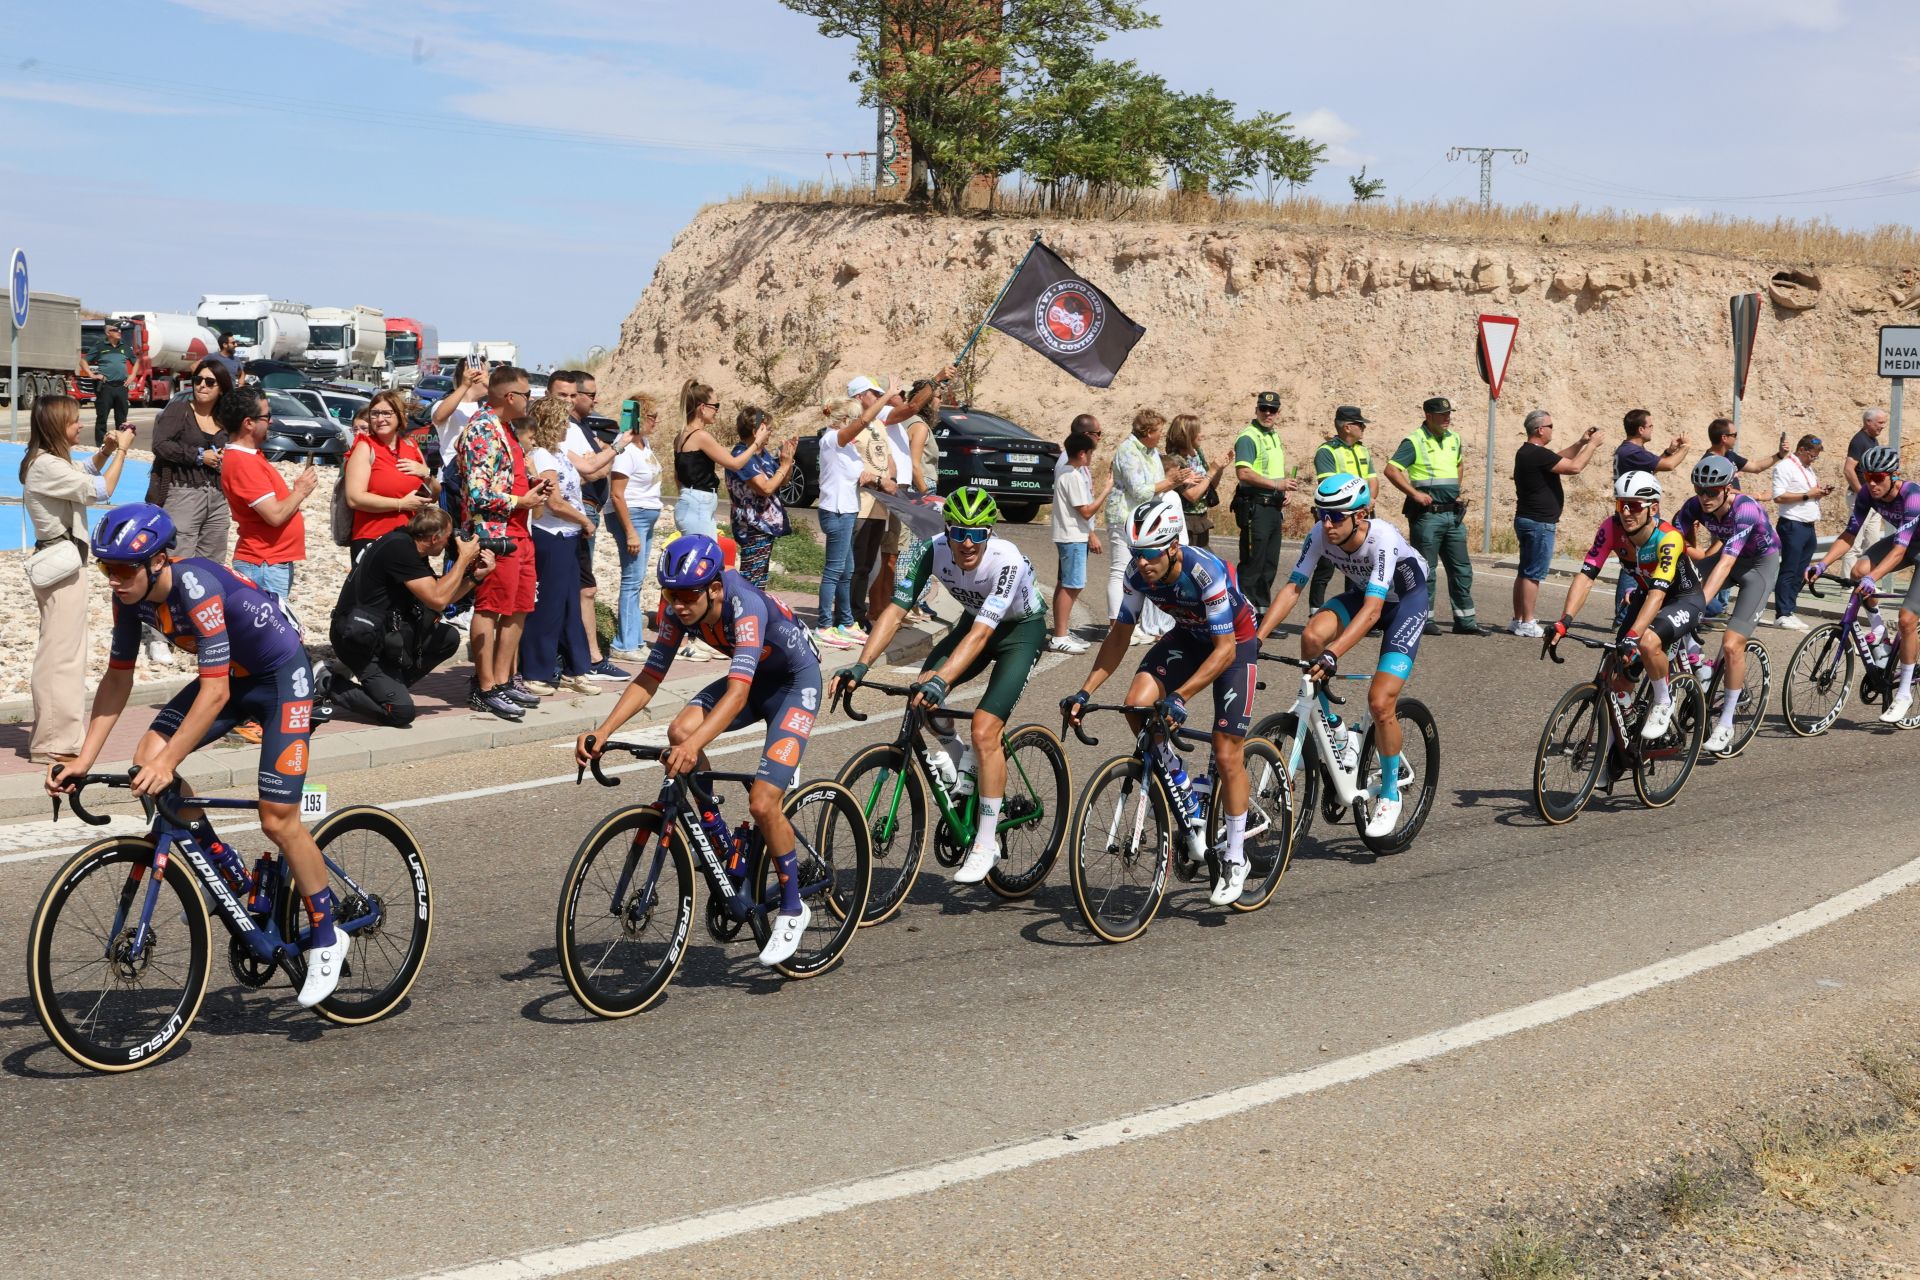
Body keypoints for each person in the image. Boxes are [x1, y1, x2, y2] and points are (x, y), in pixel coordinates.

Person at [48, 503, 348, 1008]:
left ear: (158, 562)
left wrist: (169, 764)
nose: (114, 580)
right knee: (147, 757)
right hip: (234, 679)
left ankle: (326, 932)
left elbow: (212, 696)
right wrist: (82, 757)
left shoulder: (196, 587)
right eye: (106, 568)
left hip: (281, 682)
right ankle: (222, 869)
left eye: (122, 569)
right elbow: (118, 679)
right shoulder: (131, 599)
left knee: (277, 819)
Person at [577, 536, 823, 967]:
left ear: (714, 587)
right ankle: (719, 834)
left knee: (764, 801)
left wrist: (695, 746)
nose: (679, 604)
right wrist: (604, 730)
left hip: (793, 682)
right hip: (752, 683)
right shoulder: (677, 610)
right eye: (670, 594)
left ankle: (791, 907)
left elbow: (736, 691)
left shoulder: (743, 604)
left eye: (688, 594)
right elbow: (650, 676)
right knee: (679, 729)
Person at [830, 487, 1049, 885]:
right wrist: (862, 665)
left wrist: (943, 680)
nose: (968, 542)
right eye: (959, 532)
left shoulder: (1007, 559)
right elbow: (895, 611)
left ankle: (986, 842)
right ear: (946, 529)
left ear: (990, 532)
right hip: (974, 622)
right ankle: (958, 756)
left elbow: (983, 635)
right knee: (921, 696)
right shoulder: (927, 550)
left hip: (1019, 632)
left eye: (978, 533)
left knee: (985, 729)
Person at [1062, 499, 1258, 902]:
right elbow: (1118, 636)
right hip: (1189, 636)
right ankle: (1182, 783)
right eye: (1136, 554)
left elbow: (1222, 651)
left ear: (1171, 547)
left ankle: (1237, 857)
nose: (1142, 563)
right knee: (1137, 705)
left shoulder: (1204, 572)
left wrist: (1182, 696)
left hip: (1233, 643)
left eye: (1149, 554)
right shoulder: (1138, 575)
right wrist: (1086, 691)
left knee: (1226, 752)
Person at [1256, 475, 1433, 839]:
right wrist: (1255, 640)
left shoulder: (1380, 537)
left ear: (1360, 514)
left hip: (1404, 603)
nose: (1327, 523)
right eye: (1321, 513)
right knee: (1311, 636)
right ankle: (1336, 729)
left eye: (1336, 516)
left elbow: (1372, 612)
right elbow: (1293, 588)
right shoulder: (1320, 535)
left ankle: (1388, 794)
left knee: (1381, 701)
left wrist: (1335, 654)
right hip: (1366, 596)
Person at [1547, 472, 1706, 745]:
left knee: (1645, 642)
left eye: (1635, 506)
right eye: (1622, 505)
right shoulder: (1610, 528)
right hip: (1647, 595)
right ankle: (1618, 744)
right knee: (1616, 671)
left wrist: (1633, 636)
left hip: (1682, 599)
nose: (1627, 513)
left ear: (1653, 508)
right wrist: (1565, 621)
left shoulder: (1668, 538)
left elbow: (1659, 593)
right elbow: (1586, 576)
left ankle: (1663, 701)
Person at [22, 395, 134, 765]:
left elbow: (83, 473)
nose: (80, 425)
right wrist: (122, 454)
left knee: (65, 650)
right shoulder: (45, 466)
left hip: (65, 565)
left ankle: (59, 735)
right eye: (73, 421)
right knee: (61, 655)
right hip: (62, 569)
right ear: (57, 426)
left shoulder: (50, 462)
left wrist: (104, 452)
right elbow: (101, 490)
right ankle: (52, 741)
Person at [326, 507, 491, 727]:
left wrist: (474, 578)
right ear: (433, 538)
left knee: (447, 638)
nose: (449, 543)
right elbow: (438, 599)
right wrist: (463, 559)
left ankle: (388, 688)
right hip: (358, 640)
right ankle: (330, 684)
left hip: (381, 634)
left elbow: (440, 594)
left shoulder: (411, 546)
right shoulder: (399, 548)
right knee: (401, 714)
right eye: (447, 538)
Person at [459, 365, 550, 720]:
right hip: (494, 535)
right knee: (490, 607)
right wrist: (519, 501)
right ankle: (485, 687)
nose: (531, 399)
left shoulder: (507, 430)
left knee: (518, 607)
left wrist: (534, 487)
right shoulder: (482, 430)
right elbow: (479, 494)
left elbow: (507, 480)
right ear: (510, 397)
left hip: (518, 530)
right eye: (528, 393)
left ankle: (503, 679)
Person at [1804, 443, 1920, 722]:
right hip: (1903, 544)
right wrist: (1822, 563)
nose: (1872, 482)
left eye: (1878, 477)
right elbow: (1849, 534)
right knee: (1858, 570)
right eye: (1867, 476)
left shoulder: (1912, 496)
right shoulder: (1868, 493)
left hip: (1909, 547)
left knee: (1906, 620)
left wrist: (1874, 578)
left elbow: (1899, 552)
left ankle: (1903, 693)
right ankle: (1878, 631)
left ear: (1893, 475)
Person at [1673, 455, 1782, 752]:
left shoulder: (1744, 509)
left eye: (1712, 492)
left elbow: (1725, 564)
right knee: (1671, 602)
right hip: (1726, 559)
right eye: (1700, 490)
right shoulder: (1694, 505)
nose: (1705, 498)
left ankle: (1726, 723)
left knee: (1732, 644)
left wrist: (1698, 607)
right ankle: (1700, 663)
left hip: (1759, 565)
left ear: (1727, 488)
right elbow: (1671, 544)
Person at [1384, 396, 1487, 636]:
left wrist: (1455, 491)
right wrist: (1414, 494)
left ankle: (1466, 622)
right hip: (1428, 516)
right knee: (1425, 569)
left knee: (1462, 569)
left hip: (1452, 515)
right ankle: (1423, 619)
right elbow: (1391, 470)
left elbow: (1459, 465)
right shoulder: (1414, 441)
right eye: (1442, 414)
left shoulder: (1454, 438)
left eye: (1449, 413)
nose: (1447, 418)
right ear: (1428, 416)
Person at [518, 395, 597, 696]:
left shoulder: (560, 453)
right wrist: (585, 521)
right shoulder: (541, 456)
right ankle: (536, 670)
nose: (567, 426)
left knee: (569, 606)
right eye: (562, 421)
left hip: (567, 535)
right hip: (551, 535)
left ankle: (575, 667)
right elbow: (553, 502)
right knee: (548, 605)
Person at [217, 384, 316, 599]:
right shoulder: (243, 463)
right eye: (266, 416)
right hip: (263, 564)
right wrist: (300, 491)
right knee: (267, 630)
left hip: (268, 562)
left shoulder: (249, 456)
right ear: (249, 423)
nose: (270, 421)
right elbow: (275, 515)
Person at [1508, 409, 1602, 636]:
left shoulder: (1529, 452)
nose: (1552, 430)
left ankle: (1518, 619)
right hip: (1539, 523)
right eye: (1550, 426)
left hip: (1529, 520)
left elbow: (1560, 457)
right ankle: (1527, 621)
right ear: (1540, 430)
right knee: (1533, 574)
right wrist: (1593, 446)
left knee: (1524, 572)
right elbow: (1573, 467)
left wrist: (1581, 442)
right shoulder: (1536, 454)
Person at [1107, 409, 1196, 642]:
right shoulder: (1127, 451)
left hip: (1145, 519)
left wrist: (1176, 481)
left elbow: (1157, 486)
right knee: (1121, 569)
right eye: (1158, 431)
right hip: (1124, 516)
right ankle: (1115, 625)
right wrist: (1169, 481)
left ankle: (1134, 624)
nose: (1160, 436)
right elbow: (1139, 491)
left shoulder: (1152, 452)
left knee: (1140, 569)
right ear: (1147, 432)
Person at [814, 389, 891, 646]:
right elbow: (863, 422)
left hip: (848, 510)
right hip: (835, 511)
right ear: (843, 420)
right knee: (834, 570)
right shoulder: (833, 439)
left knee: (847, 570)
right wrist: (887, 395)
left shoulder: (848, 448)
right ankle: (824, 625)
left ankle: (846, 622)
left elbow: (859, 477)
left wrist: (877, 480)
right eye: (853, 420)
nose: (858, 427)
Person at [560, 369, 624, 679]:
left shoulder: (583, 427)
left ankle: (589, 656)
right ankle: (585, 657)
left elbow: (598, 465)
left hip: (587, 511)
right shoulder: (568, 429)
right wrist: (611, 451)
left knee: (585, 588)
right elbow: (593, 472)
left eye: (576, 395)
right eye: (588, 394)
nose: (594, 399)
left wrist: (603, 454)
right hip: (580, 512)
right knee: (581, 588)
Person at [148, 357, 234, 560]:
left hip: (218, 497)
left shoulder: (226, 419)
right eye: (198, 380)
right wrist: (199, 456)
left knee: (213, 564)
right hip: (183, 493)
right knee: (178, 559)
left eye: (210, 382)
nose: (202, 385)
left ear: (221, 388)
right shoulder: (179, 410)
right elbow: (160, 445)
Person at [343, 388, 435, 561]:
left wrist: (428, 473)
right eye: (375, 414)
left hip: (411, 538)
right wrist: (401, 503)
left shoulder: (411, 445)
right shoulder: (365, 447)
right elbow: (354, 498)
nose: (380, 419)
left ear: (399, 415)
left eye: (386, 413)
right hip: (374, 538)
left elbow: (434, 495)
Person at [607, 393, 664, 660]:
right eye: (651, 417)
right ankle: (624, 644)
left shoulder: (645, 444)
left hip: (645, 516)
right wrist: (630, 530)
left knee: (638, 579)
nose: (656, 421)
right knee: (631, 580)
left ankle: (634, 639)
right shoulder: (625, 448)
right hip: (633, 517)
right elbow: (617, 494)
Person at [674, 377, 767, 539]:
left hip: (690, 503)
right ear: (702, 408)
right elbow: (735, 464)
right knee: (705, 560)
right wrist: (757, 442)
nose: (717, 410)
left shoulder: (681, 436)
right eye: (715, 406)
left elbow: (677, 476)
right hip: (698, 507)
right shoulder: (700, 436)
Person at [1230, 390, 1296, 613]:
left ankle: (1261, 614)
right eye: (1263, 409)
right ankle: (1242, 617)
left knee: (1269, 565)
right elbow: (1244, 473)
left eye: (1273, 410)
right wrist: (1277, 485)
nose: (1268, 413)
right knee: (1252, 565)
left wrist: (1284, 491)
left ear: (1278, 412)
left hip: (1272, 507)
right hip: (1255, 506)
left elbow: (1273, 472)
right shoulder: (1249, 436)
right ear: (1256, 409)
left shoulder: (1273, 435)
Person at [1308, 405, 1376, 609]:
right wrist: (1362, 502)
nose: (1364, 427)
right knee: (1326, 564)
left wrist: (1370, 499)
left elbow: (1373, 479)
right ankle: (1316, 610)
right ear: (1347, 427)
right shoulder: (1327, 451)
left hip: (1362, 514)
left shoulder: (1362, 449)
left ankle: (1354, 610)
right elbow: (1329, 488)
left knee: (1360, 563)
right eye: (1360, 424)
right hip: (1337, 516)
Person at [724, 405, 796, 588]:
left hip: (765, 525)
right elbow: (765, 488)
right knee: (751, 579)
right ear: (757, 431)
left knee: (760, 579)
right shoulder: (741, 455)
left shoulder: (762, 455)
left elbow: (782, 482)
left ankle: (757, 610)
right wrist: (784, 466)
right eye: (767, 429)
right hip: (751, 526)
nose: (770, 434)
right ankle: (748, 612)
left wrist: (788, 461)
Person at [1049, 430, 1108, 653]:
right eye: (1091, 453)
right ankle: (1060, 635)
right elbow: (1086, 511)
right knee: (1073, 585)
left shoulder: (1067, 471)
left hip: (1068, 535)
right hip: (1072, 536)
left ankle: (1061, 632)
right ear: (1082, 453)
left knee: (1066, 583)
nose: (1092, 457)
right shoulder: (1072, 476)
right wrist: (1106, 491)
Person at [1769, 434, 1830, 631]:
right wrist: (1807, 495)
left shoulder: (1807, 469)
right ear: (1802, 450)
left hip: (1808, 524)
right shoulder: (1784, 467)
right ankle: (1782, 613)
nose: (1813, 460)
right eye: (1812, 456)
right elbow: (1778, 497)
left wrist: (1818, 492)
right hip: (1792, 524)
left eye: (1816, 457)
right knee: (1789, 569)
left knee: (1800, 571)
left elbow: (1808, 493)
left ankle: (1789, 609)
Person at [1841, 408, 1891, 576]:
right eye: (1880, 422)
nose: (1883, 426)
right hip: (1861, 498)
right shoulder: (1859, 440)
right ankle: (1848, 582)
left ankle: (1867, 581)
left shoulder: (1873, 441)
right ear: (1868, 422)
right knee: (1854, 541)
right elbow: (1849, 470)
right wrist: (1863, 494)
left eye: (1884, 422)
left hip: (1874, 499)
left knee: (1872, 542)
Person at [1167, 414, 1226, 549]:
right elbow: (1192, 495)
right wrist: (1211, 471)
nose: (1202, 435)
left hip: (1201, 518)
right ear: (1188, 435)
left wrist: (1219, 470)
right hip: (1187, 521)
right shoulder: (1175, 460)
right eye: (1198, 431)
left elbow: (1209, 487)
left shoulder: (1197, 453)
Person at [79, 321, 133, 446]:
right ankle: (100, 445)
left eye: (120, 330)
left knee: (121, 418)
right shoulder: (100, 346)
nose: (119, 332)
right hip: (105, 387)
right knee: (102, 417)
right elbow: (83, 361)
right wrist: (92, 374)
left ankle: (121, 444)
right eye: (115, 330)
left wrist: (132, 376)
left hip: (121, 386)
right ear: (108, 332)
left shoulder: (124, 346)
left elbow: (136, 362)